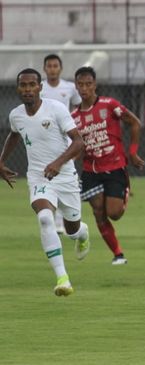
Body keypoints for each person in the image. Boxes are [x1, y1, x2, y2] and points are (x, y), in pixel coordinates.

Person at [0, 68, 91, 297]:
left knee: (72, 229)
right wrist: (1, 161)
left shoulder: (56, 109)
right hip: (39, 177)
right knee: (44, 218)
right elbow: (14, 134)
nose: (28, 89)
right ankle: (63, 279)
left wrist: (58, 163)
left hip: (65, 175)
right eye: (23, 85)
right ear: (18, 88)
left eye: (32, 85)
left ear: (40, 87)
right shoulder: (16, 115)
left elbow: (79, 143)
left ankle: (82, 233)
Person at [72, 66, 145, 265]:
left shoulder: (109, 105)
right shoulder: (74, 117)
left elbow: (135, 123)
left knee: (114, 214)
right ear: (76, 86)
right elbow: (75, 148)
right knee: (98, 212)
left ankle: (124, 191)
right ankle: (118, 254)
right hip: (91, 170)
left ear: (95, 85)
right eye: (81, 84)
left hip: (114, 166)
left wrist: (132, 152)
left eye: (88, 84)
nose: (84, 88)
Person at [40, 54, 82, 234]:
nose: (52, 69)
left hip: (66, 137)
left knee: (66, 175)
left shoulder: (70, 87)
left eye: (55, 66)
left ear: (60, 68)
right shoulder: (39, 87)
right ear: (45, 68)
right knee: (48, 175)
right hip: (45, 138)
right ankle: (53, 216)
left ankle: (63, 218)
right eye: (49, 66)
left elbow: (79, 106)